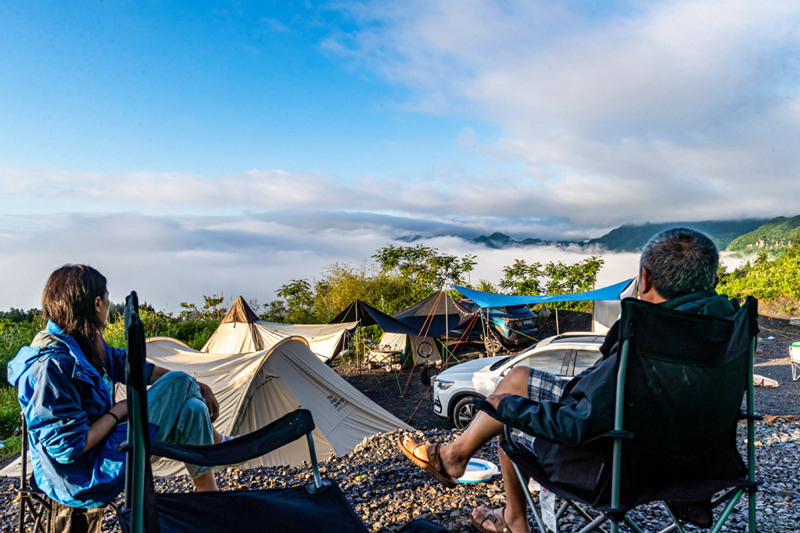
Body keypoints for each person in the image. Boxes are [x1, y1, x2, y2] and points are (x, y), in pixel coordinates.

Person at [398, 228, 738, 533]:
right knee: (518, 376)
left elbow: (580, 421)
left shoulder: (650, 333)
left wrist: (510, 408)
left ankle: (505, 508)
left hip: (617, 467)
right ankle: (458, 458)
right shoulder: (728, 330)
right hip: (699, 466)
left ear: (644, 279)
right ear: (713, 282)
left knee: (507, 416)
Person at [8, 264, 226, 512]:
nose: (110, 305)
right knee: (179, 380)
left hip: (105, 450)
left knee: (192, 408)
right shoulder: (50, 367)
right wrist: (118, 412)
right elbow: (68, 449)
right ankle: (219, 444)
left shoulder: (82, 342)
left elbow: (128, 364)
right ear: (97, 303)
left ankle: (211, 502)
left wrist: (197, 386)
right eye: (108, 297)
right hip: (84, 478)